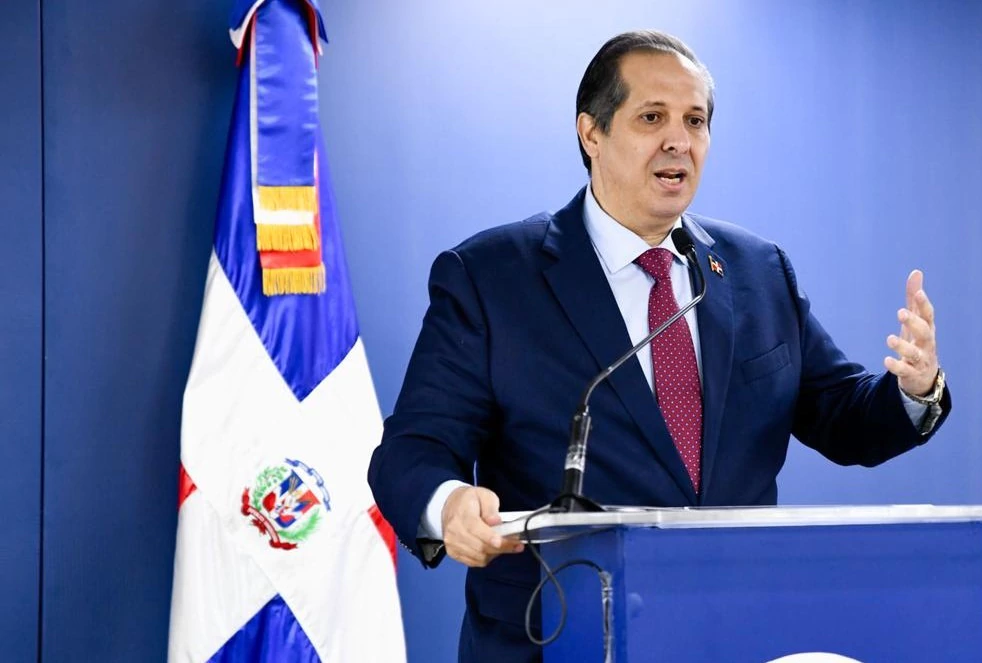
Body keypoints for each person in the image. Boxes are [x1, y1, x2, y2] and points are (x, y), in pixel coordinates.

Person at [368, 30, 951, 663]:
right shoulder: (493, 277)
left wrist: (913, 389)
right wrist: (449, 504)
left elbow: (839, 414)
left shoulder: (756, 270)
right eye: (652, 118)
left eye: (695, 121)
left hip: (733, 639)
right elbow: (413, 449)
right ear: (592, 133)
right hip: (557, 639)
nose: (679, 140)